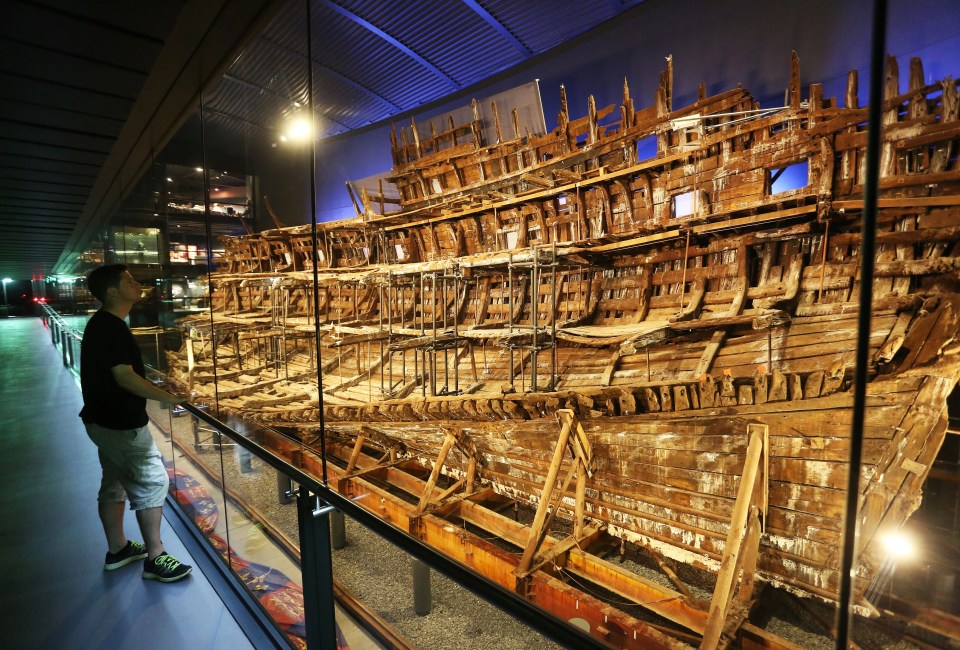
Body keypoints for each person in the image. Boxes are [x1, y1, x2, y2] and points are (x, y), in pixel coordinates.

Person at [80, 264, 192, 583]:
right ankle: (156, 558)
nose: (136, 283)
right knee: (151, 482)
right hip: (120, 424)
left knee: (114, 482)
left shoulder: (104, 324)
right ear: (113, 291)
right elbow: (125, 377)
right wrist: (168, 398)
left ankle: (119, 548)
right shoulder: (110, 327)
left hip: (103, 421)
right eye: (129, 280)